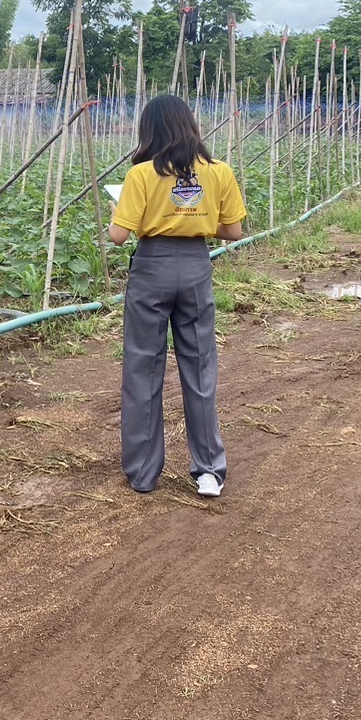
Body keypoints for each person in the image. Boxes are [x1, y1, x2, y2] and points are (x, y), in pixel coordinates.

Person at [107, 94, 245, 497]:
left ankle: (143, 473)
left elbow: (118, 237)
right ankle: (208, 471)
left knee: (142, 368)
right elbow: (233, 232)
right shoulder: (218, 172)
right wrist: (195, 221)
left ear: (149, 130)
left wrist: (133, 216)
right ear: (190, 125)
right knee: (200, 366)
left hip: (152, 266)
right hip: (196, 266)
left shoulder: (141, 174)